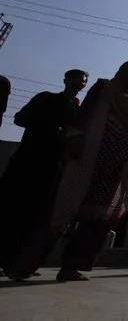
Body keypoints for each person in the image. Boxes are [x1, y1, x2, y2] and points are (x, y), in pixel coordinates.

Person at [47, 61, 128, 281]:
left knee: (97, 216)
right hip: (90, 155)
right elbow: (84, 114)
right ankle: (29, 261)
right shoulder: (103, 87)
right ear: (122, 71)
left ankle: (71, 267)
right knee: (66, 205)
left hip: (116, 163)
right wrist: (75, 138)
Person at [0, 69, 88, 280]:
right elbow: (20, 118)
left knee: (34, 216)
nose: (80, 83)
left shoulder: (78, 111)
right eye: (76, 79)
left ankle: (17, 263)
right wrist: (51, 128)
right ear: (66, 79)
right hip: (27, 162)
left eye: (84, 81)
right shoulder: (46, 99)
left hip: (52, 169)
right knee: (11, 211)